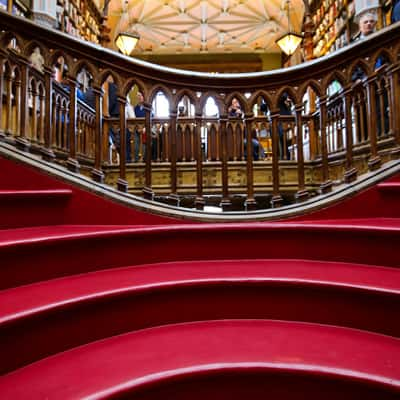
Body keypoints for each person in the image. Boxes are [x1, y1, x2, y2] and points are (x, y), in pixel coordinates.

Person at [107, 81, 132, 162]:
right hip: (119, 117)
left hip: (114, 117)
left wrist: (107, 112)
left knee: (116, 143)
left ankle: (116, 160)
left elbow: (111, 103)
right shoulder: (117, 88)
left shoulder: (112, 87)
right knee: (118, 143)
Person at [278, 92, 293, 160]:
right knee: (280, 141)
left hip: (285, 118)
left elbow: (285, 96)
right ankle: (282, 158)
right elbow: (263, 108)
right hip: (277, 119)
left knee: (285, 139)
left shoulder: (284, 92)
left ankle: (286, 157)